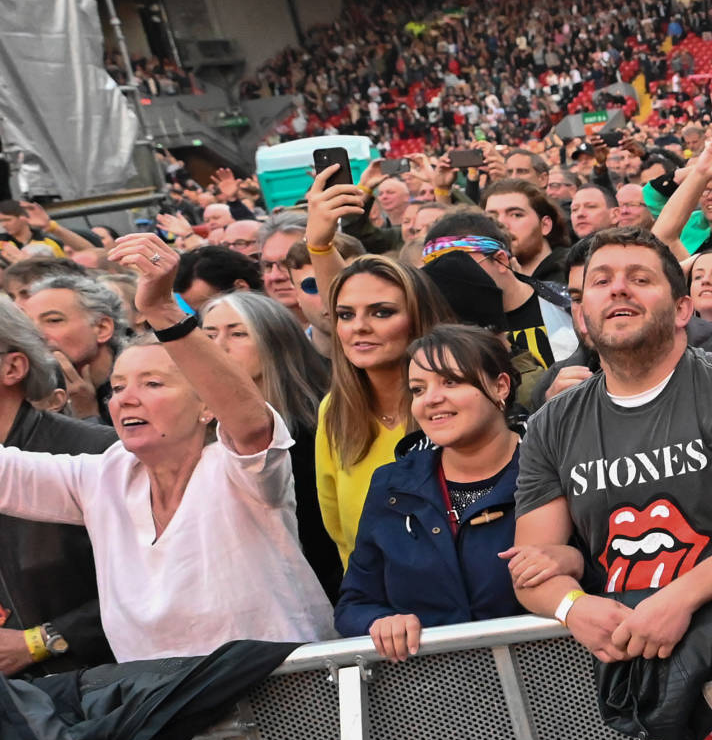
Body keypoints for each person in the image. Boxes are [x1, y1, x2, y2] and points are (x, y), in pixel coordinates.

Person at [0, 234, 333, 659]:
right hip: (161, 710)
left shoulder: (241, 471)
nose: (125, 399)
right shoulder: (102, 476)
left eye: (153, 384)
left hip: (282, 699)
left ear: (207, 406)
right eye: (118, 387)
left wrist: (161, 309)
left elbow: (250, 425)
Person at [506, 230, 712, 663]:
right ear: (582, 314)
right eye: (601, 281)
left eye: (640, 279)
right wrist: (573, 607)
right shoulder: (553, 422)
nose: (619, 288)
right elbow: (531, 567)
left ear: (683, 309)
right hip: (628, 660)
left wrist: (679, 598)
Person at [336, 326, 525, 661]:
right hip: (433, 696)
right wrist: (380, 621)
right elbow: (354, 603)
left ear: (500, 386)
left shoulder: (548, 469)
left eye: (451, 381)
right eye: (418, 389)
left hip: (553, 687)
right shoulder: (391, 484)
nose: (431, 399)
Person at [201, 289, 342, 600]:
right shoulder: (195, 433)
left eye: (237, 334)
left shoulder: (321, 425)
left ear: (276, 343)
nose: (219, 346)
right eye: (208, 335)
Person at [0, 299, 111, 677]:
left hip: (103, 696)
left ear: (13, 367)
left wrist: (42, 641)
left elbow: (158, 582)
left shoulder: (100, 454)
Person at [316, 256, 447, 565]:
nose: (359, 327)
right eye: (345, 315)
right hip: (377, 606)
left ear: (418, 319)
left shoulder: (455, 402)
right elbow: (341, 536)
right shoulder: (334, 410)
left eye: (381, 312)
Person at [417, 213, 578, 380]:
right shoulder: (442, 326)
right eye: (437, 273)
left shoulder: (567, 305)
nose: (450, 280)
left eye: (458, 267)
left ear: (500, 259)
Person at [22, 271, 122, 422]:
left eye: (53, 320)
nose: (35, 333)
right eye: (27, 323)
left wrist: (88, 414)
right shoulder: (24, 384)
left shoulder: (146, 376)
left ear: (102, 328)